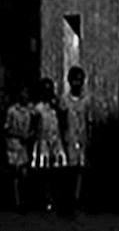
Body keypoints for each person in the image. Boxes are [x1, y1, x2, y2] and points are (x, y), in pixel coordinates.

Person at [29, 79, 65, 211]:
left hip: (55, 141)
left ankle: (56, 198)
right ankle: (44, 198)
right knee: (44, 172)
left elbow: (62, 120)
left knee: (56, 171)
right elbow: (34, 124)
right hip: (43, 141)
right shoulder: (37, 108)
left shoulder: (55, 107)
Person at [59, 67, 88, 212]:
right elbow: (62, 120)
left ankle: (77, 197)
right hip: (69, 137)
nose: (78, 83)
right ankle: (68, 197)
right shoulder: (64, 100)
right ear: (70, 81)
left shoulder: (86, 100)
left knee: (80, 169)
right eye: (75, 80)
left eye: (80, 80)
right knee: (69, 169)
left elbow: (88, 120)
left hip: (82, 137)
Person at [3, 85, 33, 210]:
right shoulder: (12, 111)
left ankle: (23, 199)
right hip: (14, 143)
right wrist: (18, 135)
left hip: (24, 145)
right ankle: (17, 201)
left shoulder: (29, 111)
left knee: (23, 173)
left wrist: (29, 135)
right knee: (16, 173)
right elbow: (7, 129)